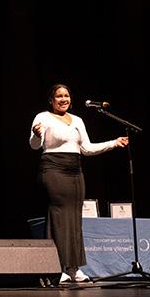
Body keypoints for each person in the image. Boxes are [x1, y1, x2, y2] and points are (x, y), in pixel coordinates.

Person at [29, 84, 128, 283]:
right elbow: (34, 146)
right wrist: (37, 135)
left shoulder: (77, 120)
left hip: (75, 171)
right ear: (51, 100)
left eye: (66, 96)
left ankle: (74, 268)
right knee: (59, 217)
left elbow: (87, 148)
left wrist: (113, 143)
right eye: (59, 96)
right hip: (53, 169)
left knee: (75, 219)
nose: (63, 99)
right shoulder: (43, 117)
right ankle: (58, 268)